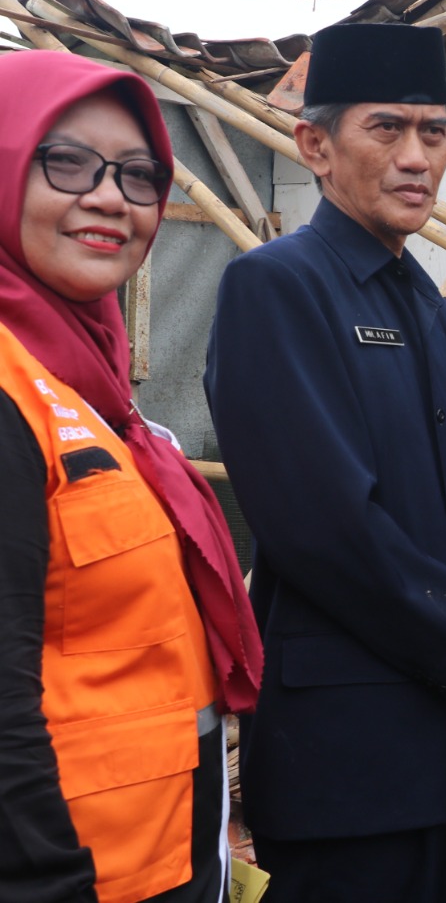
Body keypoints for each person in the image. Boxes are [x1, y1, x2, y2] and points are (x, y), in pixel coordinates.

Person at [204, 24, 446, 903]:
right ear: (315, 145)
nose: (416, 156)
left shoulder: (435, 314)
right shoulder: (278, 288)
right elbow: (324, 526)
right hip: (349, 748)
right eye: (386, 129)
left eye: (435, 132)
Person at [0, 49, 262, 902]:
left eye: (140, 174)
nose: (110, 197)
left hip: (158, 855)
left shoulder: (92, 393)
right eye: (66, 160)